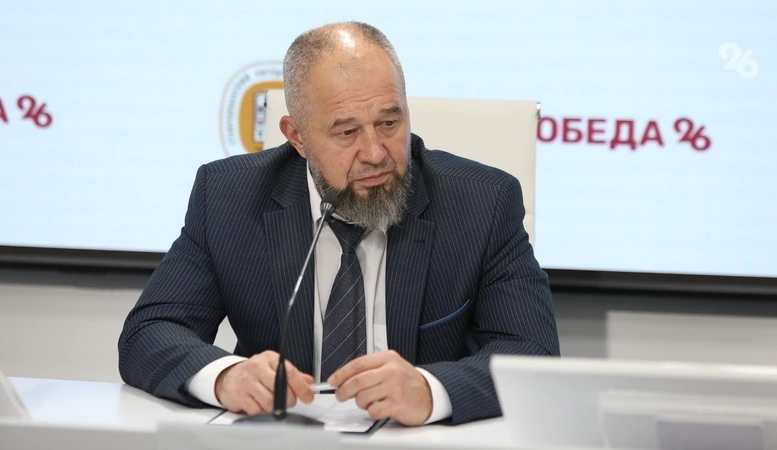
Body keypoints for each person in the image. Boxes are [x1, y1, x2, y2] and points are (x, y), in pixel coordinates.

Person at [118, 21, 559, 427]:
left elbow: (533, 355)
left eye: (389, 122)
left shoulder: (481, 203)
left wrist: (430, 390)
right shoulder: (228, 197)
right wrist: (225, 377)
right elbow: (149, 332)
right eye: (346, 132)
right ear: (297, 137)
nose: (375, 152)